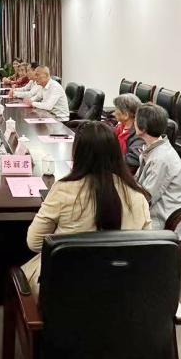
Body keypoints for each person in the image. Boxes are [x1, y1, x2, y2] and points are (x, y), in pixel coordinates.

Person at [22, 121, 152, 295]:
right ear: (117, 153)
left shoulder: (64, 190)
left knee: (23, 276)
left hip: (67, 286)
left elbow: (34, 242)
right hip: (120, 288)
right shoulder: (137, 195)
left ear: (78, 153)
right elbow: (144, 249)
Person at [134, 103, 181, 239]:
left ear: (143, 128)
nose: (134, 123)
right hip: (156, 208)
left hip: (165, 218)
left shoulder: (161, 158)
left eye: (135, 120)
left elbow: (146, 197)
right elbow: (137, 182)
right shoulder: (153, 148)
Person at [112, 93, 144, 170]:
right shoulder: (121, 126)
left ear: (126, 115)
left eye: (116, 109)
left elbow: (134, 159)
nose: (113, 113)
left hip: (125, 172)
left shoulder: (138, 133)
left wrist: (110, 158)